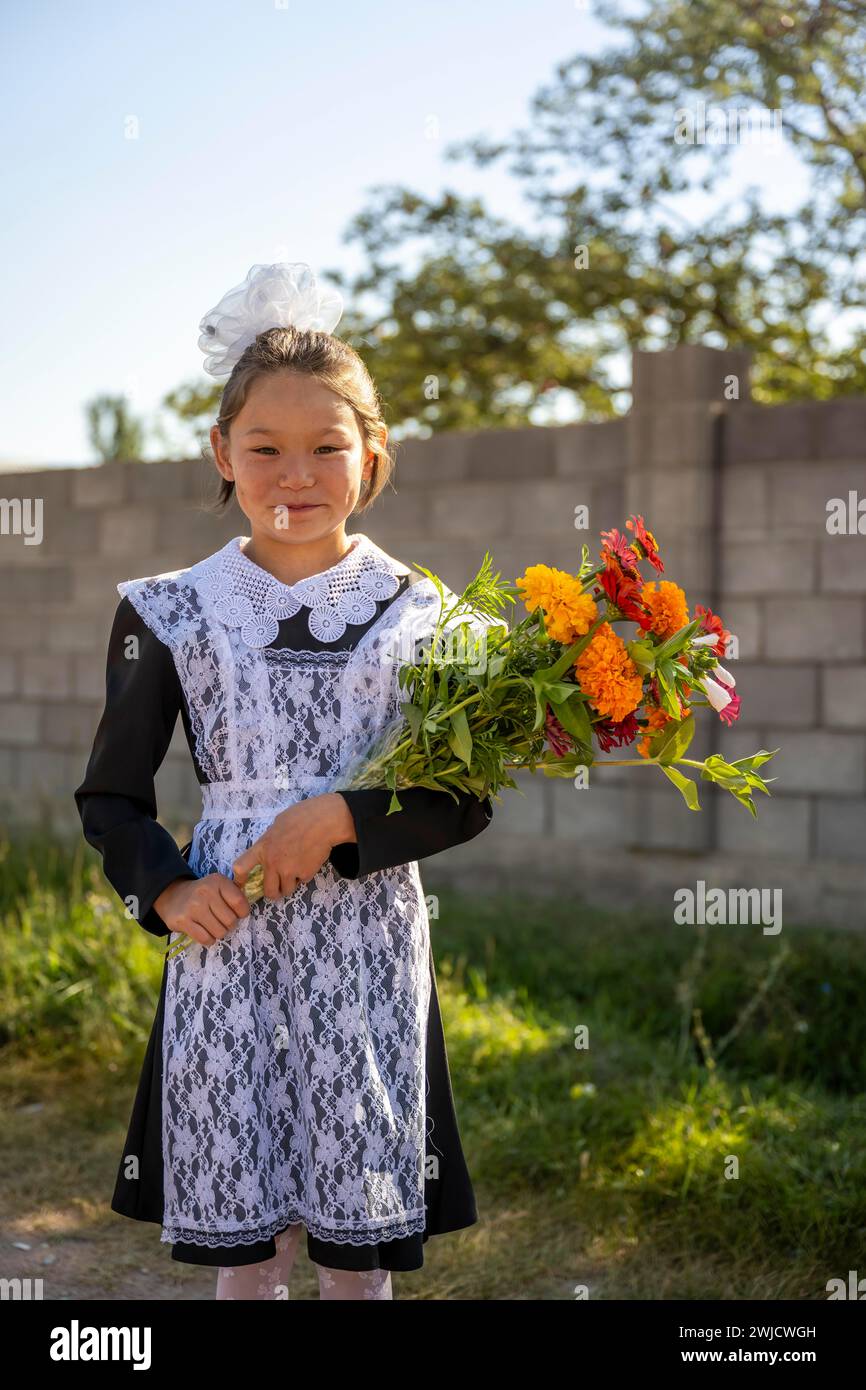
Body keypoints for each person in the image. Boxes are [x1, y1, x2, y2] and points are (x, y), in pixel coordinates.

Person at [74, 261, 496, 1300]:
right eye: (263, 448)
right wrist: (167, 888)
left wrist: (341, 818)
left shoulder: (426, 616)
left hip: (366, 955)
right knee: (248, 1246)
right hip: (227, 946)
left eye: (325, 447)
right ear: (222, 453)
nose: (292, 474)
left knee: (358, 1247)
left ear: (372, 457)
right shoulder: (168, 610)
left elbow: (464, 793)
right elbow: (111, 797)